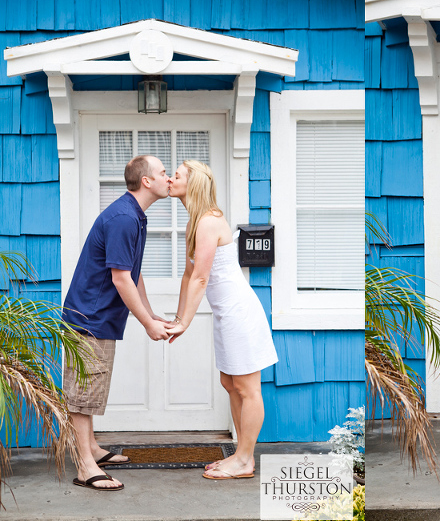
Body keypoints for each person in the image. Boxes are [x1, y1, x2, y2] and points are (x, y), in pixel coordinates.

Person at [62, 155, 171, 491]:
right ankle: (85, 466)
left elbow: (133, 274)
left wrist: (150, 314)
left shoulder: (135, 215)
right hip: (89, 318)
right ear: (147, 181)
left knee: (90, 388)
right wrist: (146, 325)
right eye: (164, 172)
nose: (169, 178)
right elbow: (121, 279)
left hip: (99, 317)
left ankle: (92, 447)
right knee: (83, 393)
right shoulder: (125, 217)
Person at [165, 160, 278, 480]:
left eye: (177, 175)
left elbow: (201, 279)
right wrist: (177, 318)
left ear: (194, 184)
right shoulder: (195, 221)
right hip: (227, 315)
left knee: (247, 387)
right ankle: (241, 456)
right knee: (230, 383)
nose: (171, 179)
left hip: (239, 314)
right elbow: (188, 276)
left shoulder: (209, 222)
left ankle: (244, 459)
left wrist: (185, 324)